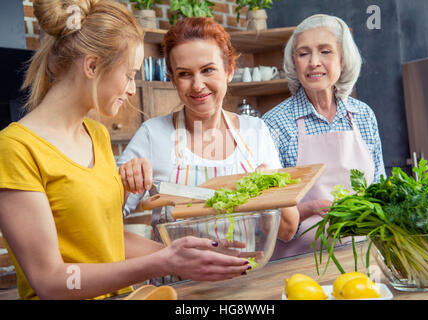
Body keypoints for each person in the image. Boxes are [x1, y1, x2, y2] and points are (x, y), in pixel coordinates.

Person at [0, 0, 251, 300]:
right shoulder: (15, 149)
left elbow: (109, 238)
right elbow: (50, 281)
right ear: (92, 66)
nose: (132, 89)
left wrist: (189, 256)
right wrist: (160, 262)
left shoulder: (96, 135)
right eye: (130, 74)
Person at [117, 17, 300, 283]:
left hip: (245, 285)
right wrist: (124, 181)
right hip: (177, 289)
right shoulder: (152, 135)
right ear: (172, 79)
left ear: (229, 69)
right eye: (184, 74)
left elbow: (286, 230)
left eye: (208, 70)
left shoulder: (256, 132)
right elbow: (101, 224)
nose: (198, 85)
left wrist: (269, 189)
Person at [262, 14, 386, 259]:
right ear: (294, 62)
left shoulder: (363, 115)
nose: (314, 62)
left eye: (325, 51)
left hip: (364, 255)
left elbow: (379, 189)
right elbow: (269, 217)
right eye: (303, 53)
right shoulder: (274, 124)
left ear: (343, 60)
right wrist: (309, 210)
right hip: (298, 261)